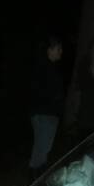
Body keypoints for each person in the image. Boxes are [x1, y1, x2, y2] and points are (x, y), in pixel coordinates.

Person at [28, 35, 65, 178]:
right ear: (49, 50)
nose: (61, 51)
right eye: (58, 48)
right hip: (44, 114)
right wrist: (54, 99)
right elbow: (39, 91)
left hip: (48, 114)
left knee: (43, 149)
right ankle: (34, 181)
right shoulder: (43, 67)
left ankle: (37, 181)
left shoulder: (50, 67)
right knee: (41, 149)